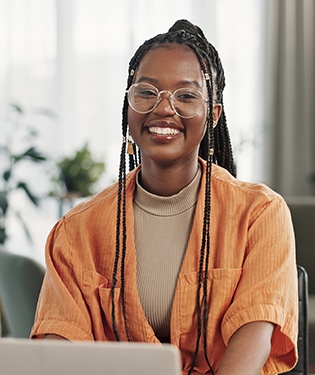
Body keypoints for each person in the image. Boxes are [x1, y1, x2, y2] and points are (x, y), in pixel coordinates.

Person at [31, 19, 298, 375]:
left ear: (212, 114)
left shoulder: (260, 214)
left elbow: (254, 332)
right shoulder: (76, 230)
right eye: (147, 92)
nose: (163, 108)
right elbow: (60, 346)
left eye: (186, 96)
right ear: (129, 105)